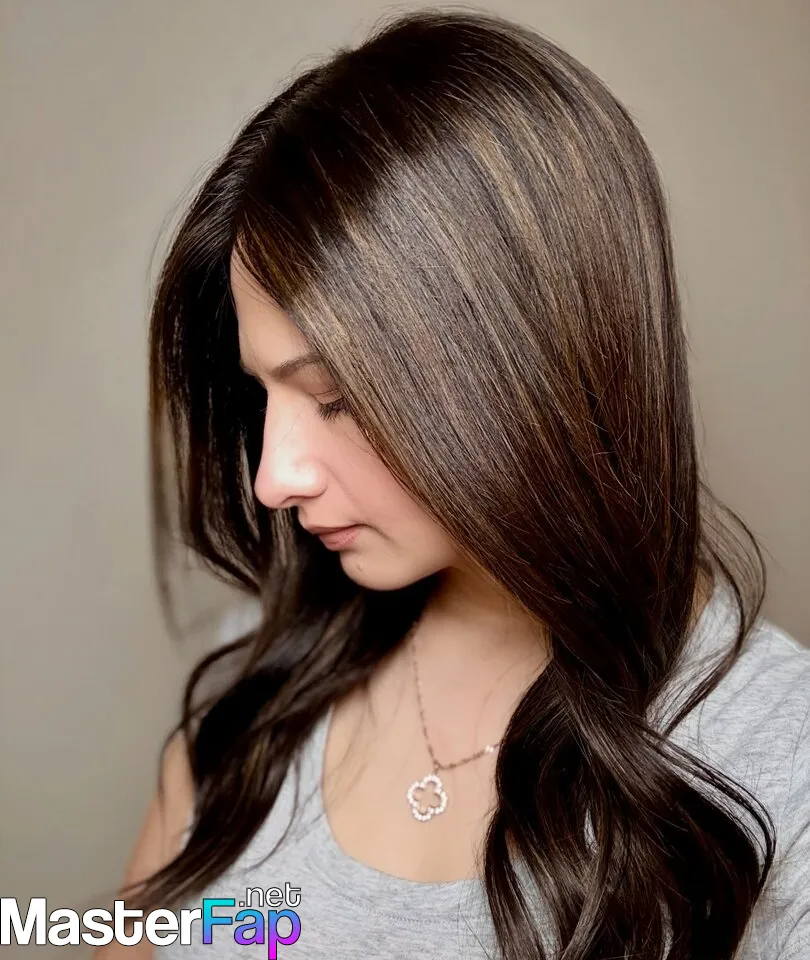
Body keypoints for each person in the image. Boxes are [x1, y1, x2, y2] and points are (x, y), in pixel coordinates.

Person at [96, 9, 810, 959]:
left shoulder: (781, 766)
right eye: (263, 395)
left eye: (337, 398)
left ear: (528, 362)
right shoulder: (263, 685)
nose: (273, 479)